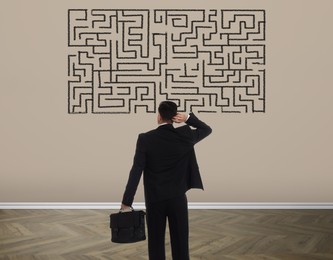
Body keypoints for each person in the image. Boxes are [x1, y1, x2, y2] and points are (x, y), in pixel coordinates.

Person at [121, 101, 212, 260]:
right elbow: (207, 129)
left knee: (155, 244)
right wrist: (188, 118)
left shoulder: (145, 139)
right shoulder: (185, 137)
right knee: (181, 243)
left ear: (159, 116)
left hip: (155, 199)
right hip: (178, 198)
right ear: (174, 117)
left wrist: (126, 202)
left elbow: (136, 171)